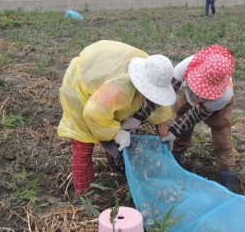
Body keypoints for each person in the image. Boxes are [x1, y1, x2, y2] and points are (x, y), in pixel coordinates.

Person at [57, 40, 176, 196]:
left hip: (105, 74)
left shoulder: (154, 70)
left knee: (113, 118)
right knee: (83, 145)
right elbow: (94, 114)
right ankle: (83, 196)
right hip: (80, 83)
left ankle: (115, 169)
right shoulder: (119, 88)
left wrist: (162, 127)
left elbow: (157, 104)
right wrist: (116, 133)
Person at [162, 45, 237, 192]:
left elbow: (194, 116)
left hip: (217, 109)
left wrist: (173, 131)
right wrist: (161, 121)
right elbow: (165, 93)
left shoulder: (224, 96)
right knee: (181, 127)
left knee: (222, 140)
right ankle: (175, 159)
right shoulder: (187, 65)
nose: (201, 92)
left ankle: (227, 181)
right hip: (188, 97)